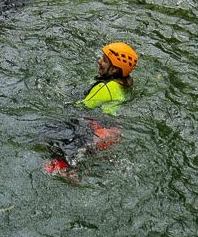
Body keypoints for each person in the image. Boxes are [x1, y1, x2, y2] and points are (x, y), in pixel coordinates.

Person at [45, 42, 138, 178]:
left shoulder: (105, 88)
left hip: (98, 130)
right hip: (111, 129)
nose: (99, 61)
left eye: (105, 60)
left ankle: (66, 170)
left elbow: (81, 107)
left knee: (50, 131)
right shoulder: (121, 85)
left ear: (114, 70)